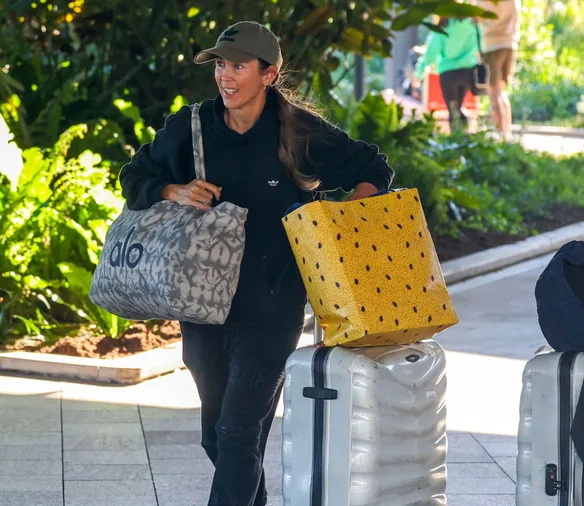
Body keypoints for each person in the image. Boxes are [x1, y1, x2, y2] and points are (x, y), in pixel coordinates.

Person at [118, 21, 394, 506]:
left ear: (269, 74)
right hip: (202, 305)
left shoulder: (298, 131)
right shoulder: (192, 126)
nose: (225, 76)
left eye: (238, 66)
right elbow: (136, 174)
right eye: (220, 65)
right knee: (217, 436)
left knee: (238, 431)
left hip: (273, 306)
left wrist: (344, 222)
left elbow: (372, 167)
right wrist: (174, 190)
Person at [414, 17, 480, 133]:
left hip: (448, 73)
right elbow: (480, 44)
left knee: (453, 108)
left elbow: (431, 53)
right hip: (468, 71)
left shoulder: (443, 26)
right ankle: (465, 134)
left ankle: (457, 137)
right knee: (458, 106)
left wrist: (419, 73)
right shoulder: (472, 23)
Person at [475, 0, 521, 139]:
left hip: (492, 45)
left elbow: (476, 18)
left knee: (494, 92)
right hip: (510, 43)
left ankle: (501, 132)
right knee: (501, 90)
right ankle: (507, 131)